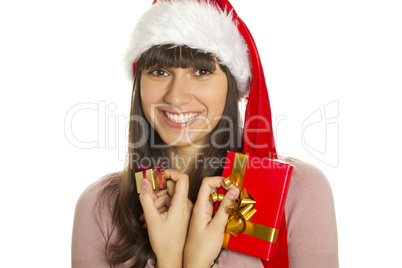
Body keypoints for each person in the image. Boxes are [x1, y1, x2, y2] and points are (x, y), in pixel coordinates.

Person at [71, 0, 338, 267]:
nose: (175, 96)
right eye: (159, 71)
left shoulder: (298, 190)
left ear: (231, 85)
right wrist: (170, 257)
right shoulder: (99, 206)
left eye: (201, 71)